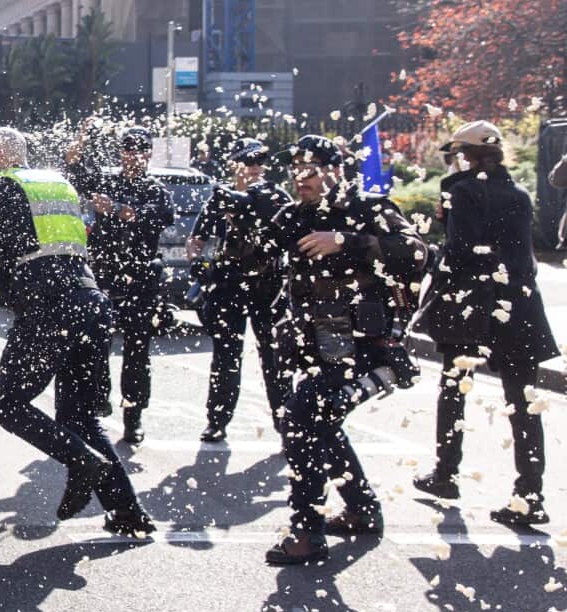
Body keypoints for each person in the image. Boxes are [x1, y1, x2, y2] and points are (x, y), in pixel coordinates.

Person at [0, 127, 156, 535]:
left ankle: (81, 461)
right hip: (89, 302)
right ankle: (128, 512)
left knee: (5, 403)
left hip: (49, 307)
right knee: (79, 418)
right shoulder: (57, 183)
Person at [263, 135, 427, 565]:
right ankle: (362, 509)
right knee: (322, 423)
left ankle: (307, 531)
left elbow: (415, 252)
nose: (301, 178)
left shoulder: (367, 208)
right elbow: (260, 250)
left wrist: (346, 240)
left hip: (363, 345)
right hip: (315, 345)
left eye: (311, 170)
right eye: (296, 170)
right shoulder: (294, 214)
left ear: (335, 171)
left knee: (302, 419)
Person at [414, 121, 559, 525]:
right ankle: (529, 494)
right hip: (519, 305)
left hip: (471, 305)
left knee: (454, 389)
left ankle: (446, 474)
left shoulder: (461, 191)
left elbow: (461, 250)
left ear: (465, 155)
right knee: (523, 402)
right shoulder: (519, 193)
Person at [65, 126, 175, 443]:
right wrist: (73, 158)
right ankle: (98, 401)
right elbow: (78, 180)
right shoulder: (108, 181)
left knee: (137, 350)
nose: (133, 155)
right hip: (105, 276)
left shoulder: (156, 189)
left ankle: (133, 415)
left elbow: (154, 216)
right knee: (96, 343)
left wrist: (115, 209)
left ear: (149, 153)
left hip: (140, 278)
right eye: (128, 148)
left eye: (139, 149)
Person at [186, 138, 292, 441]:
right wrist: (198, 262)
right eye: (248, 160)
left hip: (268, 284)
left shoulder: (276, 196)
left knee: (275, 356)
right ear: (234, 164)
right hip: (229, 283)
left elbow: (292, 237)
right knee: (226, 355)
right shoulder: (221, 198)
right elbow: (196, 239)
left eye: (260, 160)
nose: (256, 166)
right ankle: (217, 420)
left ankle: (285, 421)